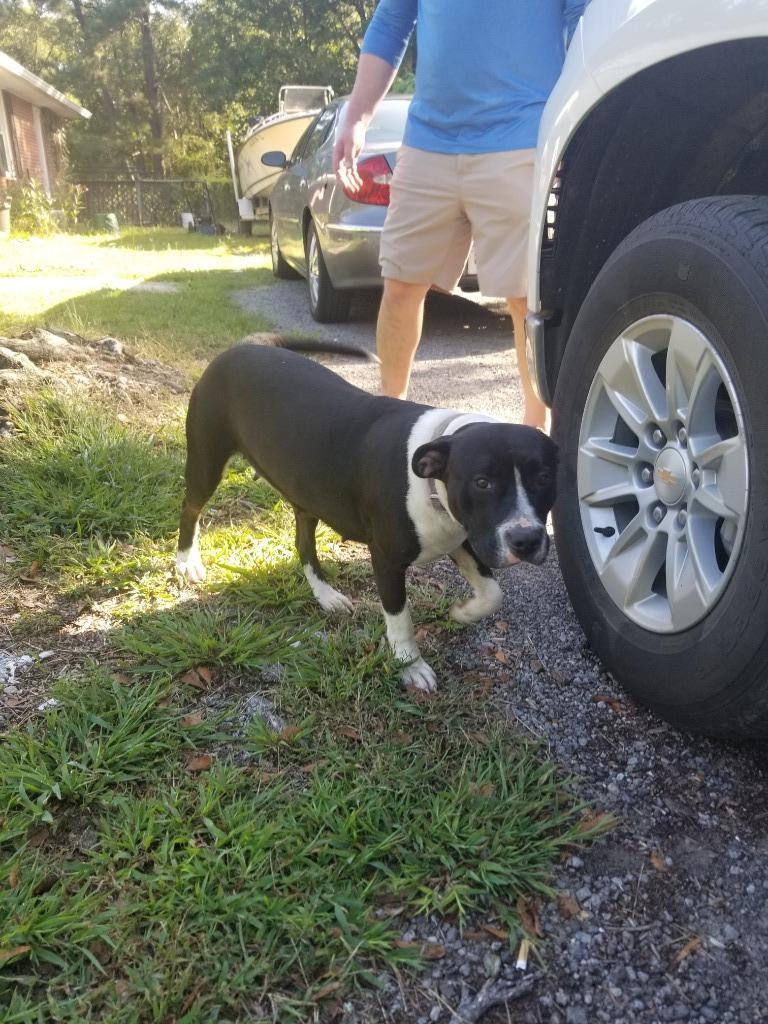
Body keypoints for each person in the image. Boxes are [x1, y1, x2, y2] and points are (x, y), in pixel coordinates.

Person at [334, 0, 587, 429]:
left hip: (522, 134)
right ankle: (390, 423)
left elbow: (581, 19)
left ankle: (538, 436)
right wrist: (356, 118)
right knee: (399, 285)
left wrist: (573, 121)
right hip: (427, 139)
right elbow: (393, 21)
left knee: (527, 299)